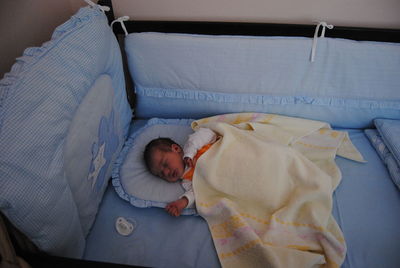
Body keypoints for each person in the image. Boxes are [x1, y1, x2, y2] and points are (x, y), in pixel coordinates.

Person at [144, 128, 217, 217]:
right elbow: (197, 193)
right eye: (162, 174)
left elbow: (208, 133)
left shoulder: (192, 147)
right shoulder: (187, 181)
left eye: (165, 164)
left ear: (176, 149)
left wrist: (190, 153)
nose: (167, 172)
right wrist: (182, 202)